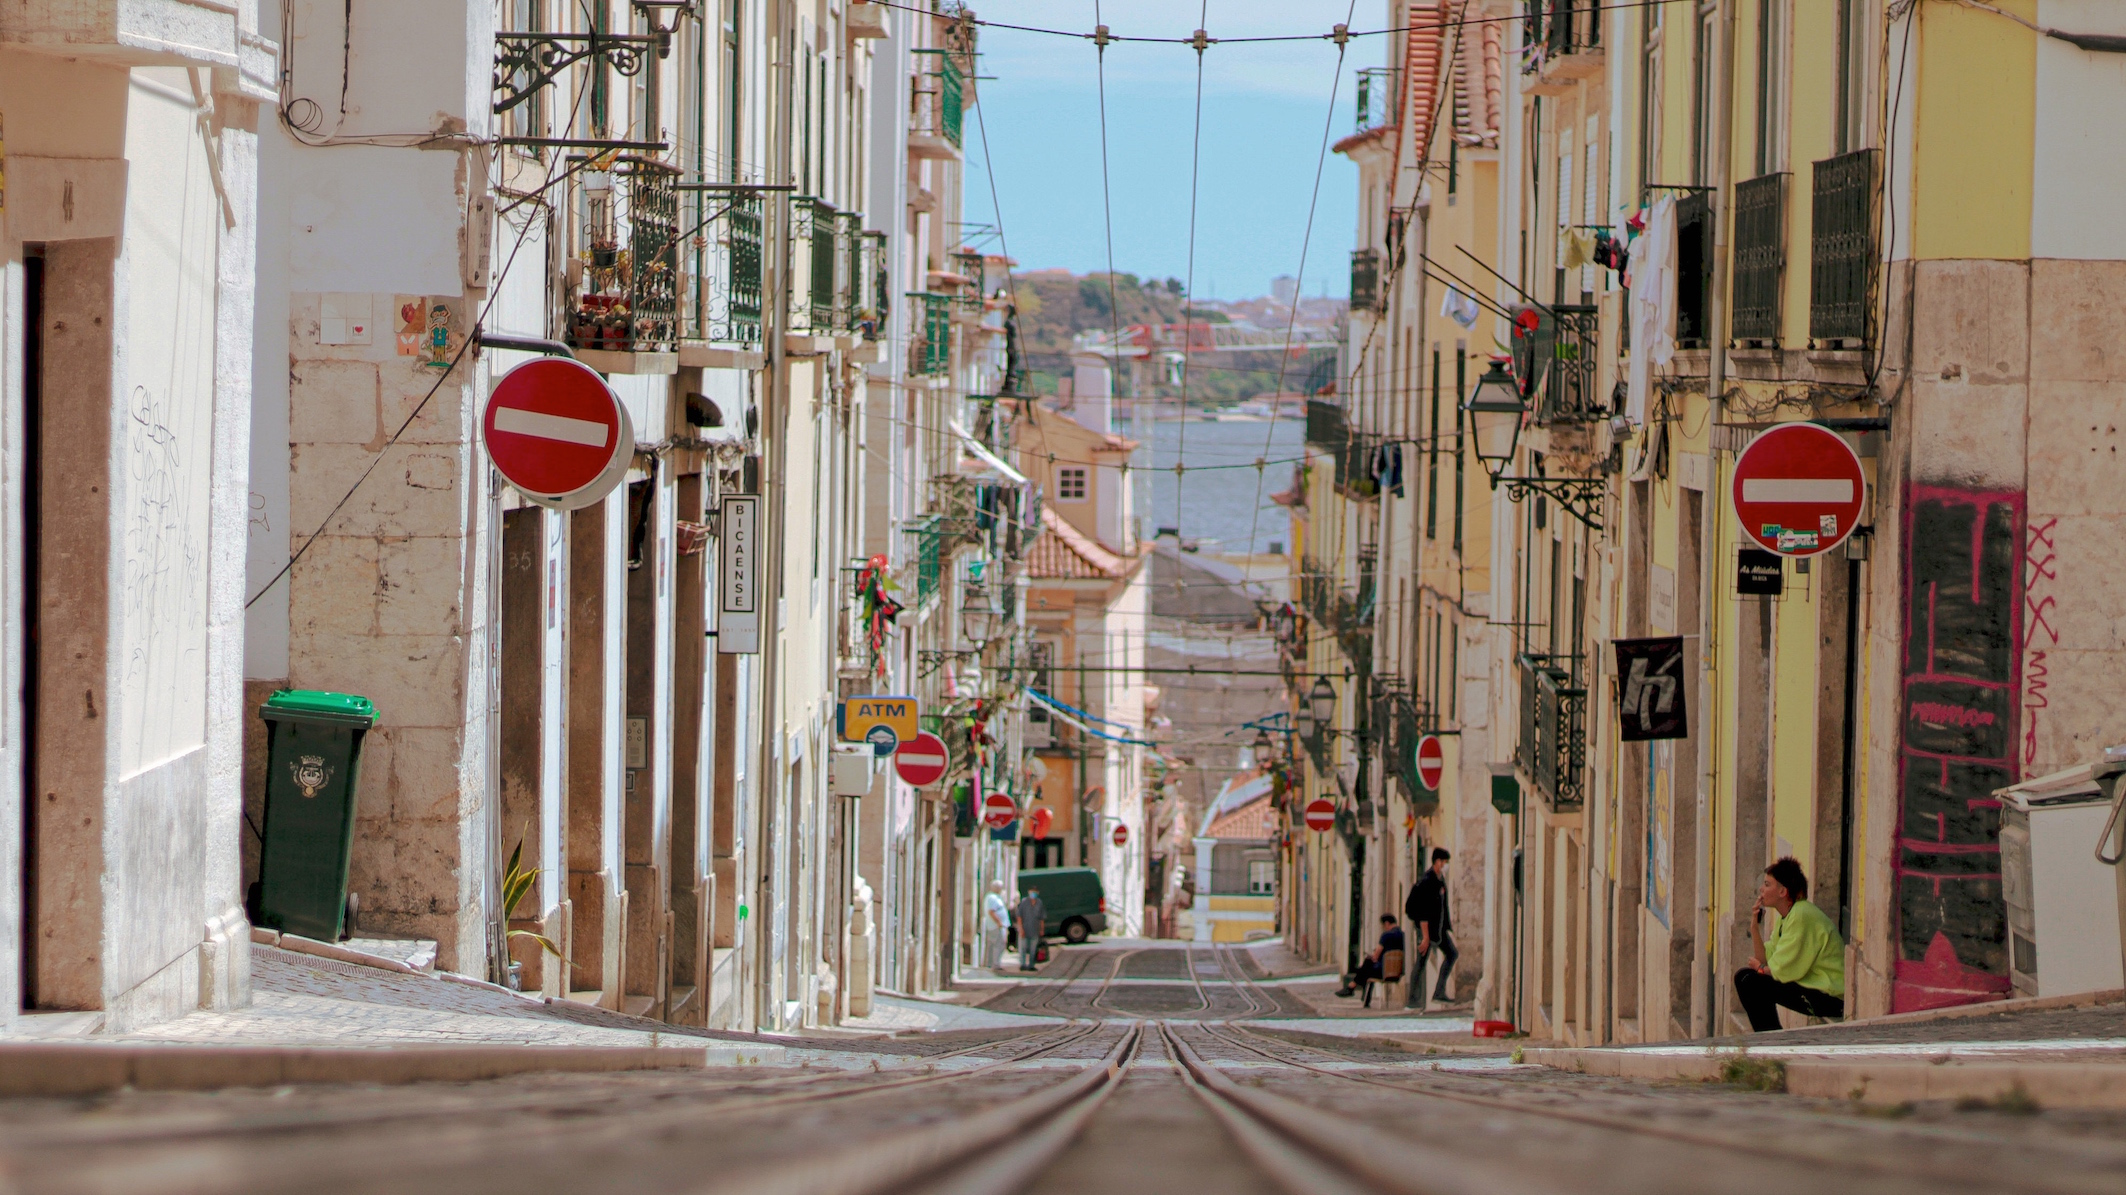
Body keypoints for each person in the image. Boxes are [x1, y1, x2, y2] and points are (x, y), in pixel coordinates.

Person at [1735, 857, 1844, 1032]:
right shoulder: (1787, 917)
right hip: (1814, 990)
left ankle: (1770, 1041)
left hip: (1831, 997)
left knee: (1750, 981)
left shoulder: (1801, 915)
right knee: (1745, 977)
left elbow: (1779, 970)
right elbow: (1766, 959)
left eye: (1767, 884)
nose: (1761, 890)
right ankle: (1769, 1038)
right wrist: (1754, 927)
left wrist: (1761, 969)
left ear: (1783, 891)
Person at [1404, 847, 1458, 1009]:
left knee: (1452, 954)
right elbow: (1423, 912)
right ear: (1437, 862)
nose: (1445, 865)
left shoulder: (1439, 880)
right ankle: (1412, 1000)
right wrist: (1425, 937)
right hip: (1427, 929)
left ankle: (1439, 992)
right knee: (1421, 962)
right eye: (1444, 862)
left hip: (1438, 929)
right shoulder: (1428, 881)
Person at [1352, 914, 1406, 1008]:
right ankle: (1352, 986)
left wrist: (1373, 956)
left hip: (1383, 971)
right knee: (1366, 967)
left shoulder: (1386, 935)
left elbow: (1376, 955)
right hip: (1398, 971)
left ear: (1386, 923)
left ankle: (1354, 987)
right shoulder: (1403, 935)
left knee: (1367, 965)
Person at [1014, 885, 1046, 972]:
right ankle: (1023, 964)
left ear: (1038, 893)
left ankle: (1031, 965)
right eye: (1032, 891)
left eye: (1035, 892)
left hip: (1035, 930)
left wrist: (1042, 929)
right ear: (1028, 892)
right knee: (1023, 948)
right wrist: (1021, 929)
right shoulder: (1024, 902)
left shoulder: (1039, 903)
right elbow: (1019, 917)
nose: (1033, 893)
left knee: (1033, 949)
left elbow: (1041, 918)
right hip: (1024, 929)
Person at [981, 880, 1010, 971]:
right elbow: (991, 911)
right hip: (996, 926)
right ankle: (995, 964)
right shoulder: (992, 898)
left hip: (996, 925)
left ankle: (991, 963)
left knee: (994, 944)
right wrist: (999, 922)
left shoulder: (994, 897)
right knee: (998, 944)